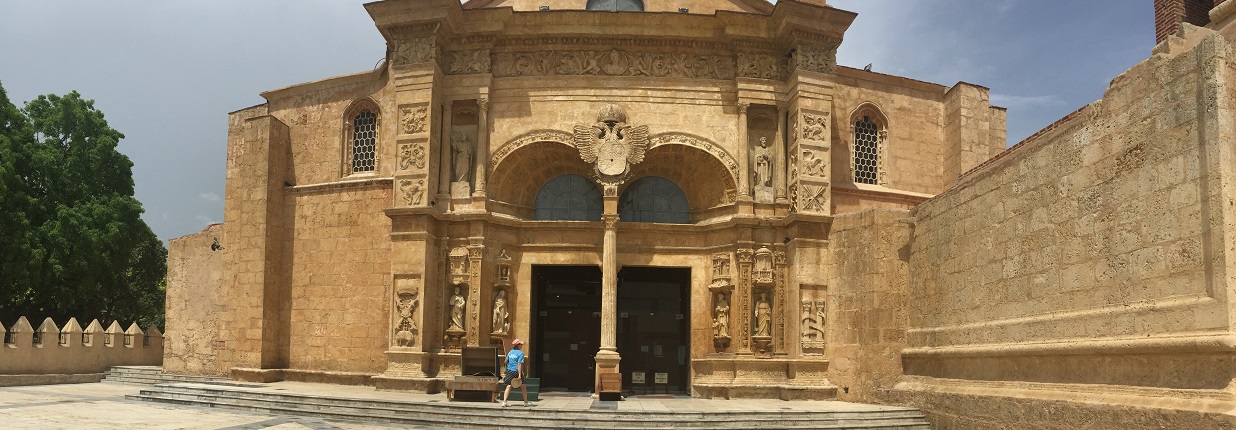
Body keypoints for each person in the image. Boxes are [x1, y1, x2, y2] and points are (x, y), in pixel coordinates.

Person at [500, 339, 529, 407]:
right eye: (520, 344)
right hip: (516, 371)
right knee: (523, 386)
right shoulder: (520, 353)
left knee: (509, 386)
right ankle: (526, 402)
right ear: (518, 345)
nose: (521, 346)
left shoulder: (510, 352)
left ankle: (504, 402)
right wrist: (519, 374)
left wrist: (507, 368)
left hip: (510, 371)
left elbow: (505, 361)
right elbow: (519, 364)